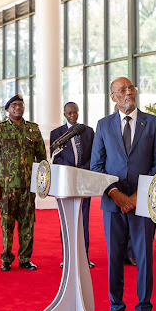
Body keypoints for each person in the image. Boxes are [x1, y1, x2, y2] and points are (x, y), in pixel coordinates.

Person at [90, 77, 156, 311]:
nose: (128, 93)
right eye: (122, 90)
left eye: (131, 88)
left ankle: (144, 310)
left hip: (143, 203)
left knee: (144, 256)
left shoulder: (154, 123)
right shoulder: (102, 126)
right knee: (114, 258)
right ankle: (116, 309)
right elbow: (96, 167)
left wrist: (136, 197)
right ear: (113, 97)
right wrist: (117, 196)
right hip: (112, 203)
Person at [0, 94, 46, 271]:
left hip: (28, 186)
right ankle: (6, 259)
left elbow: (42, 158)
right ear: (8, 109)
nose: (18, 108)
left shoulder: (33, 130)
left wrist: (41, 183)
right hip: (7, 187)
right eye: (14, 105)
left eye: (20, 105)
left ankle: (25, 258)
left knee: (27, 222)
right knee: (7, 224)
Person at [50, 101, 95, 268]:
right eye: (70, 113)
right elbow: (56, 156)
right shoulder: (57, 133)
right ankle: (67, 257)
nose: (73, 115)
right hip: (66, 182)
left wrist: (83, 169)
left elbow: (94, 154)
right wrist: (71, 170)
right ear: (64, 114)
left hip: (84, 180)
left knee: (84, 220)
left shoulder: (88, 131)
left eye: (75, 112)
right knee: (67, 219)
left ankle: (84, 257)